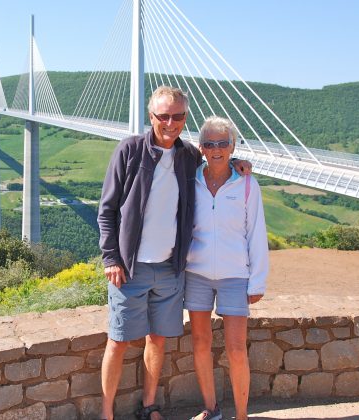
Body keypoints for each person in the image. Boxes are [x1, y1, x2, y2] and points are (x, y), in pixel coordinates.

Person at [97, 87, 251, 420]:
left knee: (157, 340)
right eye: (163, 116)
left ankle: (149, 406)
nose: (170, 122)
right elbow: (107, 209)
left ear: (185, 118)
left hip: (170, 269)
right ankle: (106, 413)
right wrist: (110, 257)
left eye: (178, 116)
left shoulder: (189, 157)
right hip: (130, 266)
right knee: (118, 340)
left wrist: (237, 162)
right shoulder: (129, 151)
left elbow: (217, 160)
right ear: (150, 116)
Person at [184, 116, 269, 420]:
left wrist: (257, 282)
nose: (216, 149)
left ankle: (242, 415)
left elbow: (256, 233)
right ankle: (211, 409)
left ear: (233, 146)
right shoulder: (189, 179)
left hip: (236, 275)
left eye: (223, 143)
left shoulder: (247, 184)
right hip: (197, 273)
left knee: (236, 349)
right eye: (210, 143)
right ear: (201, 147)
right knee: (200, 344)